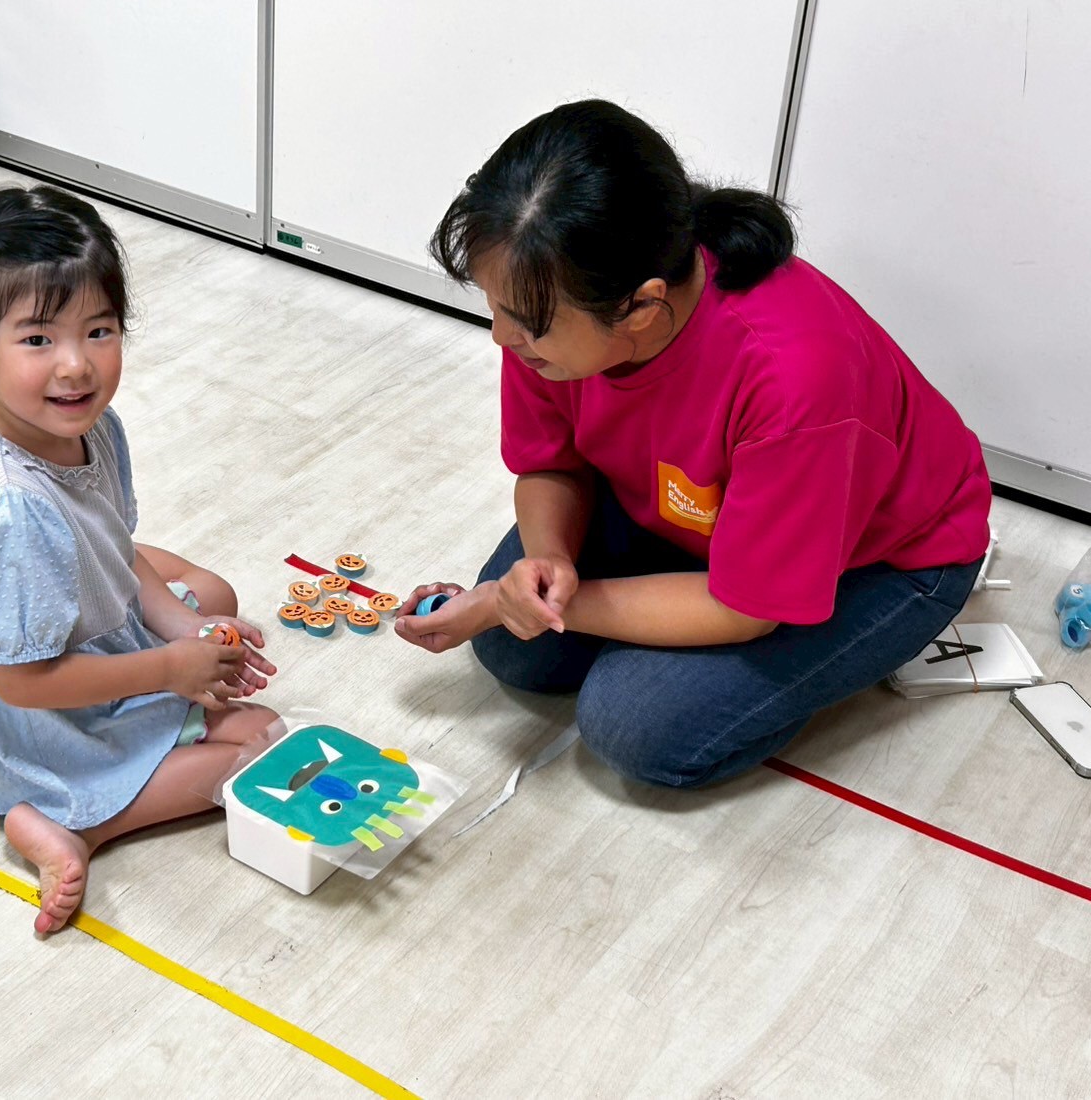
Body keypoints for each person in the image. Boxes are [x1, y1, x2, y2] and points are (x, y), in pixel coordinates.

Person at [394, 100, 991, 789]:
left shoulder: (793, 381)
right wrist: (548, 561)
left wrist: (515, 601)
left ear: (641, 307)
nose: (502, 335)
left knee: (635, 725)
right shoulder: (544, 300)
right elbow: (550, 463)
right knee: (515, 653)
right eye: (495, 307)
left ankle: (816, 658)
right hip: (686, 506)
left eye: (523, 321)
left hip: (885, 561)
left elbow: (744, 612)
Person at [0, 185, 279, 934]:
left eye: (100, 330)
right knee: (256, 744)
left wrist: (181, 629)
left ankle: (143, 723)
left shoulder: (91, 426)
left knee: (210, 598)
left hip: (79, 646)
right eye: (38, 339)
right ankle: (74, 823)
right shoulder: (8, 506)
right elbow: (19, 682)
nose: (77, 365)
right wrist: (169, 668)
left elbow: (114, 544)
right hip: (35, 709)